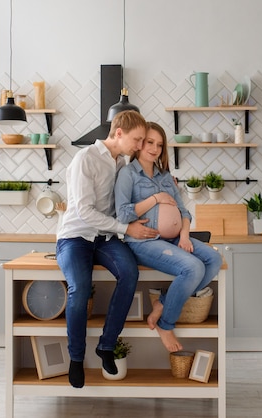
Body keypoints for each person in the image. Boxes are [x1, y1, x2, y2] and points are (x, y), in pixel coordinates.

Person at [56, 110, 159, 388]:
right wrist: (127, 229)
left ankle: (106, 345)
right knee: (79, 287)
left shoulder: (122, 162)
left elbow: (124, 201)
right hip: (75, 237)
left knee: (129, 273)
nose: (139, 145)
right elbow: (85, 212)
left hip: (105, 238)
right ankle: (76, 358)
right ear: (118, 133)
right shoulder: (85, 159)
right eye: (137, 139)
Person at [114, 121, 223, 353]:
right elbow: (123, 213)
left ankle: (162, 303)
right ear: (139, 144)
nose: (155, 149)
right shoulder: (128, 174)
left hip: (174, 240)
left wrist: (184, 236)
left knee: (214, 260)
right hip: (144, 242)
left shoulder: (165, 176)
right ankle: (166, 325)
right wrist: (156, 199)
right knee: (193, 268)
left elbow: (184, 212)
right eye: (150, 142)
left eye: (160, 145)